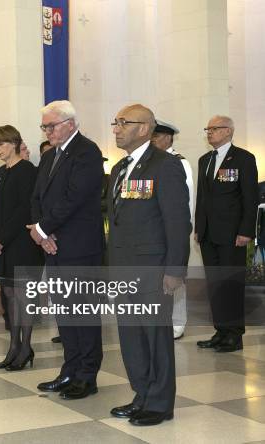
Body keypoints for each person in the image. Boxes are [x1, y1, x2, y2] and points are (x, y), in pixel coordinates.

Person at [108, 104, 190, 426]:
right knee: (131, 339)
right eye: (115, 122)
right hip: (123, 270)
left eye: (122, 122)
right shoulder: (119, 169)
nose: (116, 128)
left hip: (154, 270)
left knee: (155, 338)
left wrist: (174, 270)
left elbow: (178, 222)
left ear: (144, 128)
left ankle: (159, 404)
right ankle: (141, 394)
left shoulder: (165, 166)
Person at [30, 100, 105, 400]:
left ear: (70, 124)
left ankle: (87, 376)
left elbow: (75, 198)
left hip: (79, 247)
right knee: (65, 312)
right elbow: (36, 197)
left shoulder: (87, 152)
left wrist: (43, 229)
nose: (47, 131)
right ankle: (70, 370)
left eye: (51, 125)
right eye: (44, 126)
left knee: (83, 312)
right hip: (54, 245)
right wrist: (41, 232)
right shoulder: (50, 157)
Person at [195, 115, 258, 352]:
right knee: (215, 284)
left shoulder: (243, 158)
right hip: (209, 235)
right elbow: (203, 198)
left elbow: (249, 198)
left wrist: (245, 231)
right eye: (207, 129)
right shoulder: (205, 160)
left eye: (214, 129)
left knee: (231, 284)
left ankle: (234, 334)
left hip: (233, 235)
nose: (209, 132)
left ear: (229, 131)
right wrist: (199, 227)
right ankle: (221, 331)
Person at [0, 125, 43, 371]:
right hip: (1, 244)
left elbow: (25, 210)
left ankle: (26, 347)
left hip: (22, 243)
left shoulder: (28, 171)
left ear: (14, 143)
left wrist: (3, 237)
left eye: (1, 144)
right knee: (8, 295)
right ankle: (13, 345)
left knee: (23, 296)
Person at [151, 120, 194, 339]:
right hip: (157, 232)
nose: (153, 140)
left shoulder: (179, 162)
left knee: (175, 277)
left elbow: (186, 204)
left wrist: (183, 231)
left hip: (174, 230)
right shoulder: (154, 162)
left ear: (168, 138)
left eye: (157, 136)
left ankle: (178, 322)